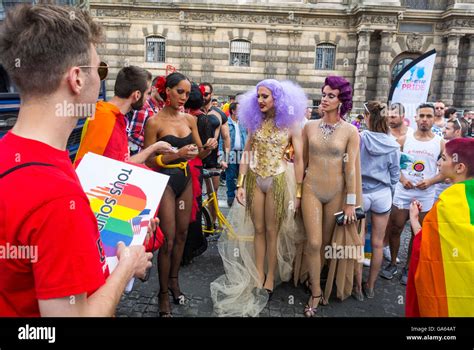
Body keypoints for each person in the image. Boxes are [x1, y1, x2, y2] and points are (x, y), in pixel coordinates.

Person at [0, 3, 152, 316]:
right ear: (77, 79)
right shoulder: (57, 198)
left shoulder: (12, 152)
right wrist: (128, 265)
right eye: (100, 69)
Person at [210, 79, 306, 317]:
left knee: (273, 230)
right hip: (254, 178)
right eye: (258, 97)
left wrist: (299, 192)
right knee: (258, 230)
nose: (260, 100)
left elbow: (301, 159)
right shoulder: (255, 122)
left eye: (265, 96)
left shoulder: (292, 124)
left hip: (279, 179)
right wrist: (241, 183)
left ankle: (270, 277)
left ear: (278, 99)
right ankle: (259, 274)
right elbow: (246, 153)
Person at [144, 72, 218, 317]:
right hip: (164, 181)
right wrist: (176, 155)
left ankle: (175, 281)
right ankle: (163, 292)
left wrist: (207, 148)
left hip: (186, 179)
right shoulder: (154, 122)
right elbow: (149, 160)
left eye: (187, 93)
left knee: (184, 233)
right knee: (168, 238)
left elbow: (198, 154)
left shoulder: (190, 120)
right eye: (180, 92)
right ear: (167, 91)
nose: (184, 97)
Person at [295, 76, 364, 317]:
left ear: (341, 100)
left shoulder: (350, 131)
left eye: (330, 96)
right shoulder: (309, 127)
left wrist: (350, 203)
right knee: (313, 242)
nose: (324, 99)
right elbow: (300, 161)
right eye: (323, 94)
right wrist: (298, 193)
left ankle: (317, 279)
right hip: (312, 189)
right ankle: (315, 291)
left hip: (336, 193)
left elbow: (351, 168)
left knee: (324, 244)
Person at [406, 138, 474, 317]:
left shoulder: (448, 203)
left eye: (443, 158)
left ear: (459, 168)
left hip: (450, 293)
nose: (438, 163)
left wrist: (414, 219)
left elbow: (427, 248)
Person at [382, 103, 445, 285]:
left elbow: (446, 172)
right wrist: (402, 180)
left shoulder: (440, 143)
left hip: (425, 195)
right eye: (422, 116)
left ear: (434, 119)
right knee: (395, 228)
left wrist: (431, 181)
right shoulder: (403, 140)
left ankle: (408, 267)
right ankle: (393, 262)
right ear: (415, 118)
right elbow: (391, 164)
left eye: (428, 116)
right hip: (403, 192)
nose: (425, 119)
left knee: (417, 233)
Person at [74, 66, 173, 166]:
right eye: (148, 93)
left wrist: (154, 147)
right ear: (137, 95)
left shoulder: (115, 116)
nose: (148, 98)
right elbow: (86, 165)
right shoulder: (104, 118)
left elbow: (122, 162)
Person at [360, 101, 400, 299]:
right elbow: (395, 175)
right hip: (382, 194)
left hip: (361, 192)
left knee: (357, 242)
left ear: (368, 117)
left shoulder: (360, 138)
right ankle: (371, 286)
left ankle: (356, 285)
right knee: (377, 243)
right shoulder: (393, 144)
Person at [200, 82, 230, 229]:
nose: (203, 96)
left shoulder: (219, 114)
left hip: (212, 160)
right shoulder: (191, 112)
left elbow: (226, 138)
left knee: (213, 193)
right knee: (193, 195)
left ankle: (212, 224)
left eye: (206, 94)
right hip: (196, 158)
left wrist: (225, 158)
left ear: (211, 94)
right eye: (201, 93)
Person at [127, 75, 165, 155]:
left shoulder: (162, 107)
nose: (164, 93)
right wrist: (153, 146)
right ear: (153, 88)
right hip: (143, 156)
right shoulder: (145, 106)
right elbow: (133, 134)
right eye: (161, 90)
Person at [225, 102, 247, 207]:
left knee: (242, 175)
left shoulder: (243, 122)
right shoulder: (227, 123)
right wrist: (223, 157)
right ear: (233, 111)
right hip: (231, 153)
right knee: (230, 176)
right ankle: (230, 196)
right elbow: (222, 140)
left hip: (242, 152)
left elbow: (247, 138)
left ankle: (241, 193)